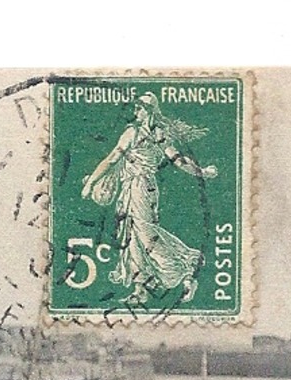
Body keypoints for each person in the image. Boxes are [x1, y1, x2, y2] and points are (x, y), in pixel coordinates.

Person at [80, 92, 218, 306]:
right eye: (136, 108)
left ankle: (184, 272)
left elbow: (112, 159)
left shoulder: (138, 133)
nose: (136, 111)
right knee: (130, 235)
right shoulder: (155, 133)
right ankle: (140, 289)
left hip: (140, 187)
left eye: (140, 108)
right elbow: (175, 160)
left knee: (144, 235)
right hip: (137, 187)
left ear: (149, 111)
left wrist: (201, 171)